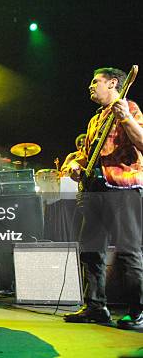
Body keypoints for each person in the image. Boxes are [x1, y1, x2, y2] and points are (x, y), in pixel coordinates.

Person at [63, 67, 143, 331]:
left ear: (113, 83)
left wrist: (127, 120)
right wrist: (76, 164)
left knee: (129, 252)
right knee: (90, 251)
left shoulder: (129, 107)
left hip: (122, 190)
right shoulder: (95, 120)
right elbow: (88, 155)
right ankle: (96, 307)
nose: (90, 85)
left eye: (95, 81)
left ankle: (137, 312)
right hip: (96, 191)